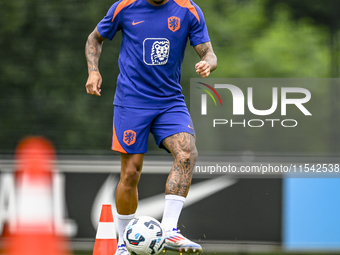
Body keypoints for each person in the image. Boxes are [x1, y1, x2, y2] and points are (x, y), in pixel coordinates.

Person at [85, 0, 217, 254]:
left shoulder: (188, 10)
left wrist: (207, 63)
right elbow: (94, 38)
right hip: (131, 101)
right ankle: (124, 243)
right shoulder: (125, 7)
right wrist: (93, 71)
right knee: (131, 172)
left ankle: (169, 231)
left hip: (169, 101)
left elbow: (209, 53)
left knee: (187, 153)